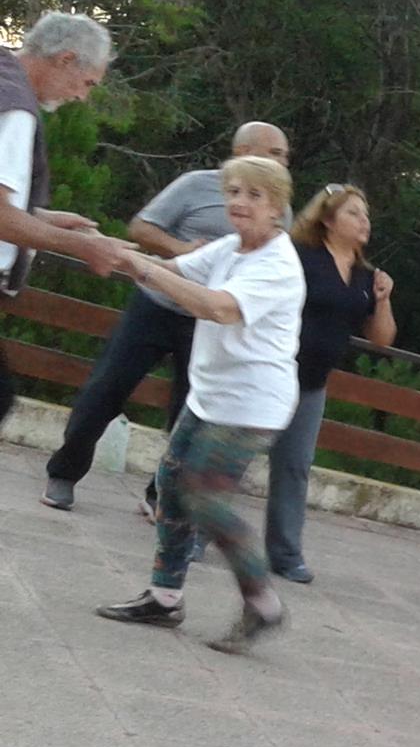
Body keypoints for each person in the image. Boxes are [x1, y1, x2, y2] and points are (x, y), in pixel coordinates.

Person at [93, 156, 305, 654]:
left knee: (204, 497)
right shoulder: (232, 247)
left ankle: (263, 603)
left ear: (277, 206)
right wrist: (116, 252)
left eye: (253, 194)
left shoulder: (277, 264)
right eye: (233, 192)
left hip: (252, 404)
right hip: (210, 394)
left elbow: (216, 307)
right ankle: (165, 597)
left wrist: (144, 267)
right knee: (170, 484)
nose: (239, 202)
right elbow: (171, 272)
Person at [42, 120, 292, 511]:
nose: (282, 160)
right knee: (106, 389)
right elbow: (141, 228)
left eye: (284, 156)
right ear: (243, 152)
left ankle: (162, 498)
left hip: (207, 323)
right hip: (155, 308)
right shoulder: (195, 186)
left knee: (187, 411)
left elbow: (230, 298)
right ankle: (64, 474)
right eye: (274, 152)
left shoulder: (279, 220)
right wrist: (172, 250)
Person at [263, 184, 395, 583]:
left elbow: (382, 339)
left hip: (312, 385)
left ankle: (286, 554)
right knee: (232, 458)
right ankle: (195, 535)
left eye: (366, 214)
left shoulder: (366, 276)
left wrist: (384, 299)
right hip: (271, 373)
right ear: (327, 218)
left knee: (294, 468)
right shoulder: (299, 255)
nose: (364, 221)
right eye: (353, 213)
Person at [1, 13, 128, 427]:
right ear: (65, 59)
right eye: (87, 82)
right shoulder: (16, 110)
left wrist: (46, 219)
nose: (83, 97)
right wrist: (82, 245)